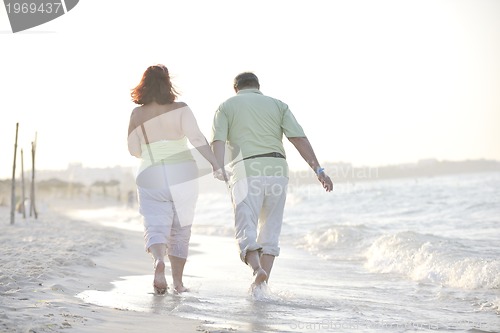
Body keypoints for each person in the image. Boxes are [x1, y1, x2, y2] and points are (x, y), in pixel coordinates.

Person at [211, 72, 333, 288]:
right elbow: (298, 138)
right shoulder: (278, 105)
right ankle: (260, 290)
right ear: (258, 86)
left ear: (235, 88)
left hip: (246, 171)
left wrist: (218, 167)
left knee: (245, 227)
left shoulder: (226, 106)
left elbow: (218, 140)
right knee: (270, 230)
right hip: (277, 171)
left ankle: (257, 270)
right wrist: (319, 170)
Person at [128, 64, 221, 294]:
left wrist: (149, 153)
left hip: (150, 174)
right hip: (182, 174)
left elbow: (132, 149)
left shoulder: (137, 114)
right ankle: (178, 283)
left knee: (155, 223)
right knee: (181, 229)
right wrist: (215, 164)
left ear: (144, 84)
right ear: (168, 83)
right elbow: (197, 138)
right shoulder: (181, 109)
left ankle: (159, 260)